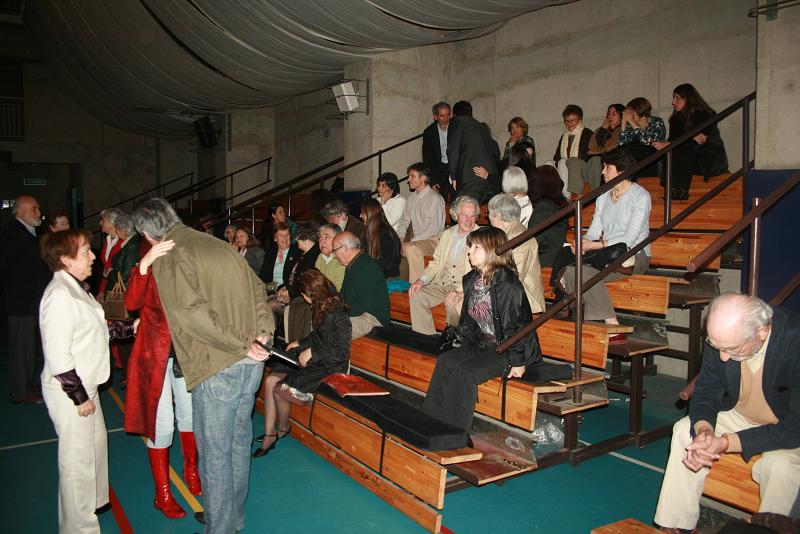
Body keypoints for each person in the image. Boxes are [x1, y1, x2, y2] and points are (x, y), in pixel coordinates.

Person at [131, 198, 273, 533]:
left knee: (215, 453)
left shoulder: (169, 255)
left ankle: (220, 527)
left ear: (147, 235)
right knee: (237, 443)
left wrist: (241, 344)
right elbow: (258, 290)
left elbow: (190, 314)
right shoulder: (217, 244)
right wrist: (263, 335)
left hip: (218, 363)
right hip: (250, 362)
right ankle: (232, 517)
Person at [654, 293, 800, 533]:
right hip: (743, 415)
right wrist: (705, 430)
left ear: (762, 331)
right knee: (684, 432)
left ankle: (767, 530)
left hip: (789, 429)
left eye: (731, 349)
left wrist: (724, 442)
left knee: (780, 467)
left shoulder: (795, 343)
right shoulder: (722, 336)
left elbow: (794, 429)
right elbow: (706, 390)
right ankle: (676, 526)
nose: (723, 357)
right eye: (717, 347)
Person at [422, 226, 542, 432]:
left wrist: (517, 361)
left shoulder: (506, 283)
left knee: (466, 372)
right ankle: (431, 420)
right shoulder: (472, 279)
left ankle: (456, 431)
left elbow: (514, 326)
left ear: (493, 250)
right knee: (446, 361)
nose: (469, 251)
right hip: (481, 343)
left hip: (507, 348)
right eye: (470, 247)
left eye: (476, 247)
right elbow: (470, 321)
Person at [123, 238, 201, 519]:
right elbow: (131, 302)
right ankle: (162, 493)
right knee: (162, 425)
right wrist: (144, 265)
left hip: (183, 355)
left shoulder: (186, 269)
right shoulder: (148, 267)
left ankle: (192, 471)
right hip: (154, 356)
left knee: (190, 416)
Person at [39, 229, 110, 533]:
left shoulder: (76, 288)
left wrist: (127, 329)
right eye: (85, 252)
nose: (93, 256)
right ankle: (79, 528)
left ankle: (88, 510)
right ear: (66, 260)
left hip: (85, 386)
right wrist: (79, 397)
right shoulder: (59, 295)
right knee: (77, 464)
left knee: (94, 450)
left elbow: (92, 329)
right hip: (71, 391)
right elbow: (58, 355)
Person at [253, 269, 351, 457]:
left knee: (279, 389)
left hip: (328, 365)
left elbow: (341, 353)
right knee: (271, 380)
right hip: (316, 356)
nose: (304, 299)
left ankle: (282, 429)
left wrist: (312, 352)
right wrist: (301, 342)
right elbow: (318, 336)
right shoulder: (321, 305)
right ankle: (270, 434)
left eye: (305, 295)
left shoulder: (339, 313)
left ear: (313, 293)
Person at [559, 148, 651, 343]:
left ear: (622, 171)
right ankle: (610, 323)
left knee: (578, 273)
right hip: (606, 254)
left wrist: (595, 246)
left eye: (607, 168)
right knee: (570, 270)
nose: (602, 172)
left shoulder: (640, 196)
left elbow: (629, 239)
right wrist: (583, 242)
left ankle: (605, 323)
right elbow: (594, 230)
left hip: (634, 254)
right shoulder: (603, 196)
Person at [0, 194, 51, 404]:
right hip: (20, 302)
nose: (39, 213)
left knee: (28, 347)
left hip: (28, 301)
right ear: (20, 211)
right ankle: (21, 392)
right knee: (21, 349)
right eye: (34, 209)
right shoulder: (14, 234)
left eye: (38, 208)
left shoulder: (27, 232)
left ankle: (26, 384)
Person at [408, 196, 479, 335]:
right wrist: (421, 280)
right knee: (415, 294)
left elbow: (480, 272)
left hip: (464, 287)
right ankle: (426, 337)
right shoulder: (447, 234)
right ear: (455, 215)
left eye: (473, 216)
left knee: (453, 305)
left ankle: (454, 339)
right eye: (465, 215)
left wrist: (460, 291)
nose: (469, 220)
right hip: (441, 284)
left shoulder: (481, 236)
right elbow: (436, 263)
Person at [652, 83, 729, 200]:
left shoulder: (704, 115)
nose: (673, 102)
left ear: (687, 98)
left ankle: (680, 192)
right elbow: (675, 141)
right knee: (669, 151)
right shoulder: (676, 120)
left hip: (708, 158)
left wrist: (672, 144)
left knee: (685, 149)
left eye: (676, 98)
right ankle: (672, 189)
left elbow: (700, 141)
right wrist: (666, 145)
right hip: (688, 160)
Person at [488, 194, 545, 313]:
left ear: (497, 215)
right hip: (509, 294)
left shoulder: (520, 237)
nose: (488, 218)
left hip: (525, 301)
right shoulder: (508, 234)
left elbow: (514, 276)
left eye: (488, 213)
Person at [332, 232, 390, 339]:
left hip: (372, 317)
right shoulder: (353, 265)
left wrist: (340, 315)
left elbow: (363, 305)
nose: (334, 256)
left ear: (345, 248)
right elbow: (344, 295)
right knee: (322, 321)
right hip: (358, 314)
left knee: (333, 329)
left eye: (334, 251)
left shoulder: (367, 267)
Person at [396, 162, 446, 282]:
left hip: (433, 241)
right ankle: (394, 282)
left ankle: (417, 284)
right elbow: (404, 221)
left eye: (412, 176)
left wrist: (411, 242)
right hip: (416, 240)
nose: (408, 180)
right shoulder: (411, 199)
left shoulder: (435, 198)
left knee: (411, 248)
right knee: (395, 244)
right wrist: (401, 238)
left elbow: (433, 230)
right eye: (409, 176)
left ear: (423, 178)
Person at [447, 100, 501, 203]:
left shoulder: (457, 122)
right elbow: (495, 151)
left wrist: (454, 177)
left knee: (464, 209)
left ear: (455, 114)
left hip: (470, 179)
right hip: (489, 179)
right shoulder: (482, 127)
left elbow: (453, 151)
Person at [280, 222, 321, 343]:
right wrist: (283, 288)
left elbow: (308, 283)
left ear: (305, 238)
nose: (296, 239)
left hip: (303, 300)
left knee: (298, 335)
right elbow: (290, 276)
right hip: (295, 296)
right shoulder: (300, 253)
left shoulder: (315, 256)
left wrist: (290, 292)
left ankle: (296, 348)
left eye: (297, 236)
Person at [528, 166, 569, 267]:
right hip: (555, 257)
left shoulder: (544, 209)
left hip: (544, 261)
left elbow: (534, 241)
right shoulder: (558, 205)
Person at [618, 96, 667, 179]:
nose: (628, 114)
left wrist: (634, 124)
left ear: (639, 111)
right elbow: (621, 144)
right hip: (634, 160)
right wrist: (623, 123)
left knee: (637, 147)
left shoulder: (656, 122)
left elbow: (648, 142)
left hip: (653, 157)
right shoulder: (630, 125)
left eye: (630, 111)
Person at [553, 105, 593, 196]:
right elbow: (557, 156)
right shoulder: (564, 136)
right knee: (548, 164)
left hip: (580, 167)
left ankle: (565, 196)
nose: (569, 123)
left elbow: (588, 155)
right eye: (566, 121)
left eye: (572, 120)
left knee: (563, 162)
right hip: (564, 167)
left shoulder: (587, 133)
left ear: (580, 120)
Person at [585, 103, 626, 192]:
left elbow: (612, 146)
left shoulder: (622, 129)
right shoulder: (602, 129)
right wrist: (602, 129)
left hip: (611, 159)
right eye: (608, 114)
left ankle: (595, 192)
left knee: (596, 160)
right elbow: (591, 147)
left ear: (621, 116)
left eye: (614, 114)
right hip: (597, 159)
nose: (610, 117)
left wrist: (598, 152)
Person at [360, 198, 401, 278]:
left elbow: (386, 265)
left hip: (387, 277)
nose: (360, 215)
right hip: (374, 272)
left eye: (362, 213)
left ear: (370, 214)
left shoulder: (385, 234)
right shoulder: (368, 231)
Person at [421, 101, 453, 194]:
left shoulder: (456, 128)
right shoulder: (429, 132)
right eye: (442, 116)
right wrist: (432, 180)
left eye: (448, 115)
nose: (446, 119)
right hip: (439, 169)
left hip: (454, 167)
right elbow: (428, 158)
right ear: (435, 117)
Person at [97, 207, 125, 298]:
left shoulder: (123, 241)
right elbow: (106, 268)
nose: (100, 223)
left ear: (113, 223)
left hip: (121, 287)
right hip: (110, 287)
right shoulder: (107, 240)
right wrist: (101, 291)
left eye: (103, 220)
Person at [107, 213, 140, 286]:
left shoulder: (132, 245)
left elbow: (125, 275)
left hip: (126, 288)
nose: (116, 231)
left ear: (123, 229)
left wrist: (109, 273)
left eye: (117, 228)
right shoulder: (129, 243)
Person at [315, 223, 345, 291]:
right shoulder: (320, 257)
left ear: (337, 239)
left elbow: (337, 290)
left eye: (326, 237)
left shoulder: (341, 260)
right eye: (320, 237)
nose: (321, 241)